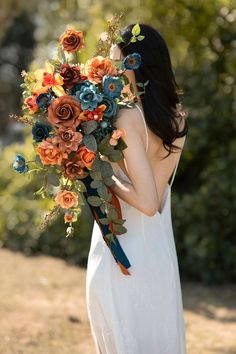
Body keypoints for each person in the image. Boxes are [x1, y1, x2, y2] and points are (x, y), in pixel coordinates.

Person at [86, 24, 188, 354]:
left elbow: (146, 202)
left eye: (118, 65)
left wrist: (97, 170)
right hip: (158, 255)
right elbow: (157, 198)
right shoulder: (177, 119)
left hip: (124, 254)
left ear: (136, 66)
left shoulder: (128, 117)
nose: (112, 75)